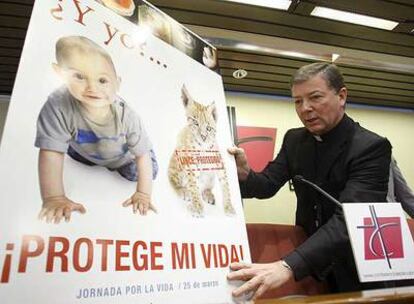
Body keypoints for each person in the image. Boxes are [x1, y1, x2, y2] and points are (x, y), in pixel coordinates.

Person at [227, 62, 392, 298]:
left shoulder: (371, 147)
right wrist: (246, 175)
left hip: (354, 265)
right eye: (297, 101)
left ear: (341, 96)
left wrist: (287, 265)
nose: (305, 108)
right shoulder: (294, 140)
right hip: (310, 265)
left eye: (315, 97)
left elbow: (352, 219)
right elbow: (267, 185)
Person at [35, 35, 158, 224]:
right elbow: (51, 152)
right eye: (79, 76)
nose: (92, 87)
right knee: (63, 148)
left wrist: (143, 193)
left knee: (145, 169)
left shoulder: (127, 116)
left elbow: (141, 156)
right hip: (85, 149)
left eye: (102, 80)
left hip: (123, 157)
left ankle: (132, 152)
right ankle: (94, 158)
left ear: (117, 84)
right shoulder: (57, 105)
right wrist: (54, 198)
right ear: (59, 73)